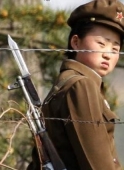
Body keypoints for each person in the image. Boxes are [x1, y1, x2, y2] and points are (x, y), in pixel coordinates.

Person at [27, 0, 124, 169]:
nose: (108, 54)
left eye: (115, 49)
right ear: (76, 42)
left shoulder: (72, 82)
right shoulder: (80, 86)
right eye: (101, 43)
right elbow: (97, 163)